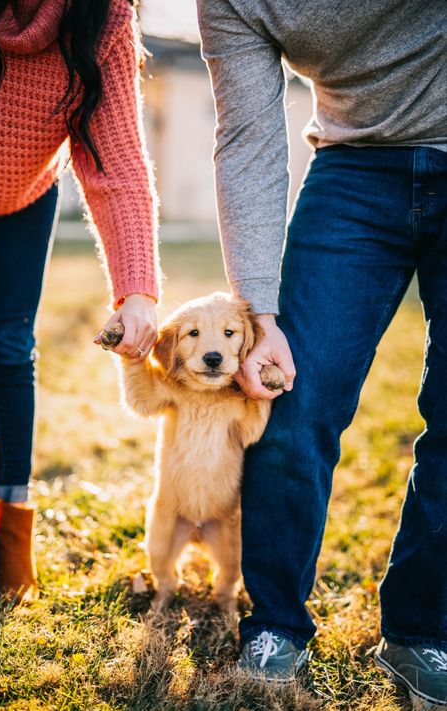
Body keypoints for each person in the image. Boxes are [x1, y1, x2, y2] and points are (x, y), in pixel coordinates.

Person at [197, 0, 447, 707]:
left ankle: (423, 628)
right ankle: (275, 624)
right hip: (354, 169)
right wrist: (260, 312)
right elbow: (246, 138)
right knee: (290, 399)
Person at [0, 0, 159, 608]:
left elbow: (119, 165)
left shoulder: (103, 22)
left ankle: (13, 519)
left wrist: (137, 289)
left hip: (29, 192)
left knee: (9, 345)